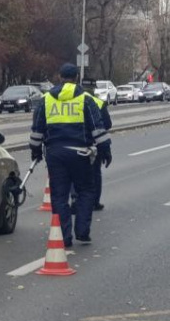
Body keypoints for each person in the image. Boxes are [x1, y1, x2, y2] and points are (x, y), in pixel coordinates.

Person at [30, 63, 112, 246]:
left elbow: (37, 131)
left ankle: (63, 236)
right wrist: (105, 150)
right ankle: (82, 231)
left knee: (59, 195)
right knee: (85, 191)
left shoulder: (46, 100)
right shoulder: (85, 99)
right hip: (81, 154)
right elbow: (97, 129)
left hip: (55, 154)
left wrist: (36, 151)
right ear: (76, 78)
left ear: (59, 77)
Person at [87, 91, 113, 211]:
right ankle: (94, 202)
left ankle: (76, 200)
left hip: (75, 144)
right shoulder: (98, 102)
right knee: (95, 173)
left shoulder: (73, 101)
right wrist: (106, 151)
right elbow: (107, 124)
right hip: (95, 144)